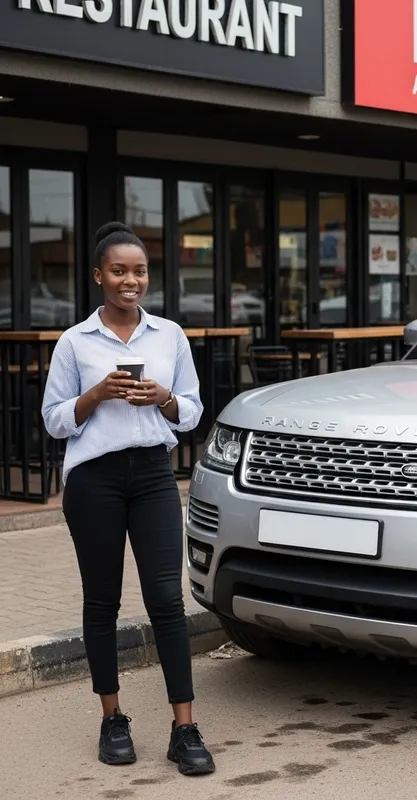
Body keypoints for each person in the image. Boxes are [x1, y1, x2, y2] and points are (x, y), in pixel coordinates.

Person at [41, 222, 215, 776]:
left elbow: (192, 412)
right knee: (103, 601)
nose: (130, 280)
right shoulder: (75, 342)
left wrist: (163, 399)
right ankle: (112, 718)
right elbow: (52, 421)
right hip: (94, 479)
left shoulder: (169, 336)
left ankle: (183, 727)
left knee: (166, 599)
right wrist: (95, 394)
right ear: (98, 276)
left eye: (138, 270)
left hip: (153, 476)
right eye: (118, 270)